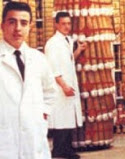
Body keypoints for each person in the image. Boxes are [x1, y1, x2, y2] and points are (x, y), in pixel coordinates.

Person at [0, 1, 57, 158]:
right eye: (12, 22)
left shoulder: (39, 59)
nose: (18, 28)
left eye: (24, 23)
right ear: (2, 25)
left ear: (30, 27)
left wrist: (41, 114)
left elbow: (50, 91)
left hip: (32, 141)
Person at [45, 12, 87, 159]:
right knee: (61, 121)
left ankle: (66, 150)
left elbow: (69, 60)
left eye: (69, 24)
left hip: (68, 85)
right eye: (63, 24)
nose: (66, 27)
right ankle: (59, 151)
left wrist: (78, 51)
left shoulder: (67, 40)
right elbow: (53, 69)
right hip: (60, 87)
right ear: (56, 24)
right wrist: (64, 86)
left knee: (68, 120)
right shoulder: (52, 43)